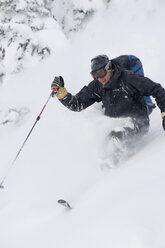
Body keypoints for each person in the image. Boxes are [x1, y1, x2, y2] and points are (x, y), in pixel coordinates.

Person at [51, 55, 165, 141]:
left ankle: (119, 169)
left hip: (137, 124)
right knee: (104, 142)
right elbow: (77, 104)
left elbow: (157, 90)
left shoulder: (128, 78)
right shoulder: (98, 85)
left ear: (109, 67)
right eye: (95, 76)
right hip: (115, 128)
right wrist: (61, 92)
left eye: (101, 73)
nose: (100, 78)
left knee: (115, 139)